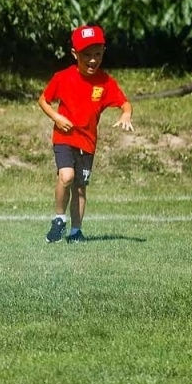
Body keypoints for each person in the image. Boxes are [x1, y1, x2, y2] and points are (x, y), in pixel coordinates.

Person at [37, 24, 134, 242]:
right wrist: (57, 118)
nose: (92, 60)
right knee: (67, 176)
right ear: (75, 54)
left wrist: (126, 115)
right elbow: (43, 100)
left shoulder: (105, 82)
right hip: (64, 138)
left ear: (103, 52)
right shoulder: (62, 77)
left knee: (80, 188)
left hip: (88, 143)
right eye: (86, 55)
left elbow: (124, 103)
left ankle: (76, 232)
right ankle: (59, 219)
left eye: (97, 54)